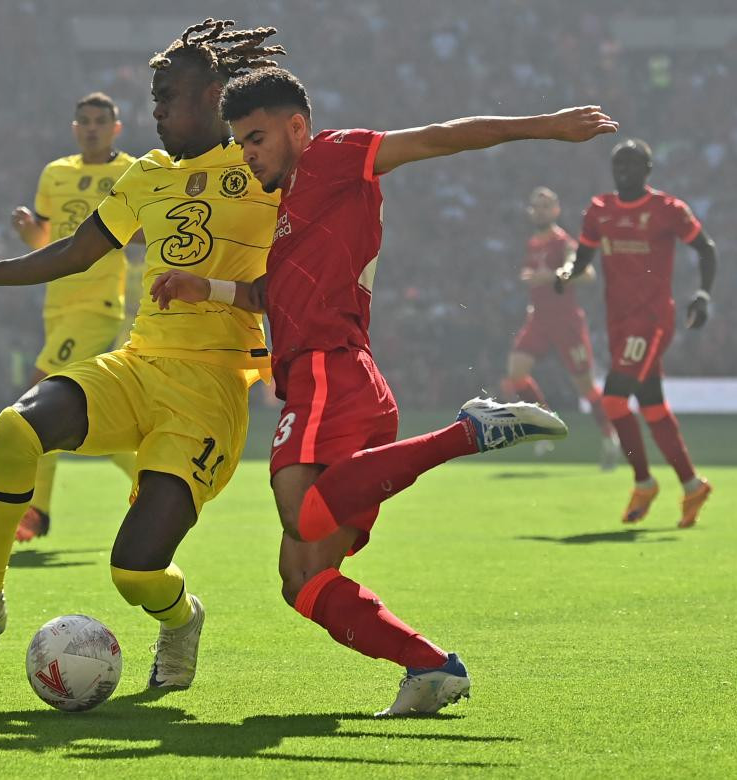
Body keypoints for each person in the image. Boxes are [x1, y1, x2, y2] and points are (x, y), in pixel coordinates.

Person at [150, 67, 615, 715]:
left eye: (256, 138)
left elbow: (439, 138)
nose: (248, 153)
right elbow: (269, 297)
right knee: (303, 578)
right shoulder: (289, 214)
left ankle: (466, 431)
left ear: (296, 128)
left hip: (327, 374)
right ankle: (430, 668)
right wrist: (209, 289)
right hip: (349, 384)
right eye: (240, 142)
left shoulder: (335, 157)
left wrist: (544, 126)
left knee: (300, 512)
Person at [0, 21, 284, 692]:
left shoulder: (265, 168)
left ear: (216, 96)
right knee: (17, 426)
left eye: (171, 96)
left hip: (210, 389)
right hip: (137, 363)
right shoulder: (147, 174)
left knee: (134, 571)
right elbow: (75, 253)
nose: (157, 110)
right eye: (155, 97)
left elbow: (297, 279)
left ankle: (181, 618)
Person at [556, 139, 717, 528]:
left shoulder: (667, 210)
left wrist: (702, 294)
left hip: (652, 320)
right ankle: (693, 485)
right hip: (618, 322)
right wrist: (567, 273)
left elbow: (706, 249)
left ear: (647, 169)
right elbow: (584, 255)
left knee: (613, 400)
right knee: (653, 407)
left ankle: (644, 482)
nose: (624, 170)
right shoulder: (599, 211)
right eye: (618, 164)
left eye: (632, 164)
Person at [8, 91, 138, 543]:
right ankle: (148, 474)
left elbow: (144, 233)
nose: (92, 127)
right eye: (84, 120)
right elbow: (48, 241)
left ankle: (36, 511)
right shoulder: (55, 173)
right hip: (57, 305)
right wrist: (30, 234)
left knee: (39, 394)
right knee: (74, 412)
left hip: (98, 305)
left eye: (101, 120)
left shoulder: (131, 171)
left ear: (116, 128)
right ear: (74, 127)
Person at [501, 186, 619, 468]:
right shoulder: (533, 243)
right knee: (516, 372)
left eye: (546, 206)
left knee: (586, 386)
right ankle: (546, 422)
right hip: (540, 320)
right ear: (531, 212)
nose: (540, 211)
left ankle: (610, 437)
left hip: (566, 322)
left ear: (556, 210)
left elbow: (585, 272)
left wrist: (553, 275)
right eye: (536, 206)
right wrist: (532, 279)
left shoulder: (562, 241)